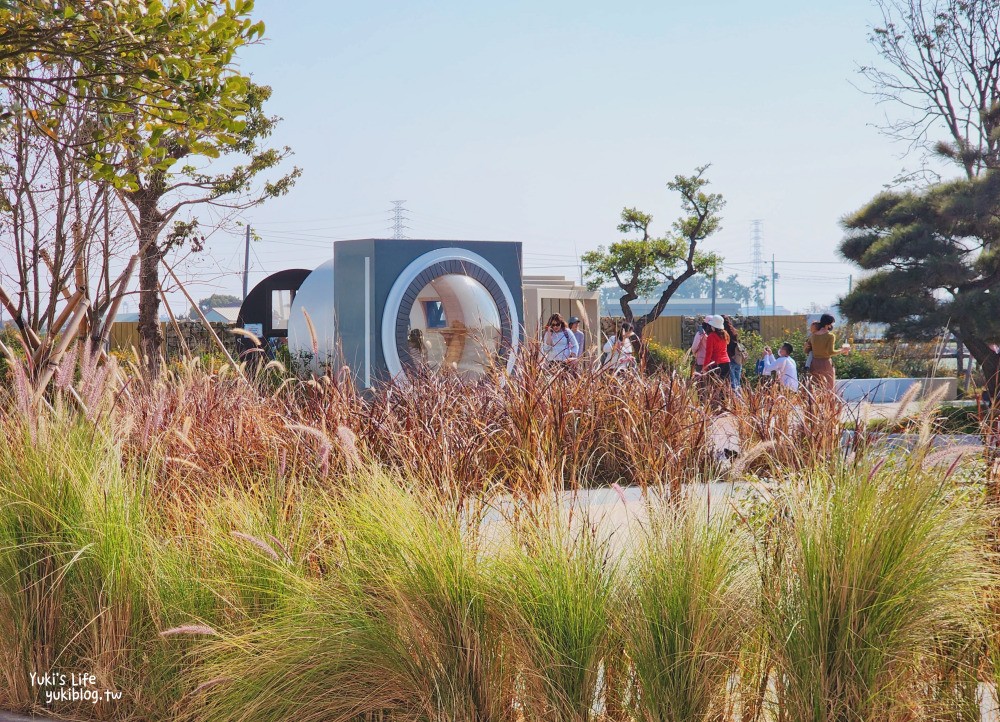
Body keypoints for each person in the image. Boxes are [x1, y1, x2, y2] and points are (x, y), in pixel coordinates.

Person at [804, 313, 849, 391]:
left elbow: (806, 350)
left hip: (814, 363)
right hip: (825, 363)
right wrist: (842, 350)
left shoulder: (813, 335)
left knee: (815, 387)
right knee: (828, 388)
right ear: (829, 324)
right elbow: (830, 352)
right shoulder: (830, 336)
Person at [702, 315, 731, 389]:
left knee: (715, 388)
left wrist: (705, 367)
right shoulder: (725, 335)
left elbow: (709, 353)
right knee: (725, 388)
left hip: (716, 364)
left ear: (713, 326)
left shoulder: (711, 337)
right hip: (726, 363)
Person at [722, 316, 744, 391]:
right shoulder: (734, 332)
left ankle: (735, 400)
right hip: (738, 358)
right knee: (738, 382)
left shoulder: (724, 333)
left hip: (730, 358)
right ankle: (740, 400)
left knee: (733, 384)